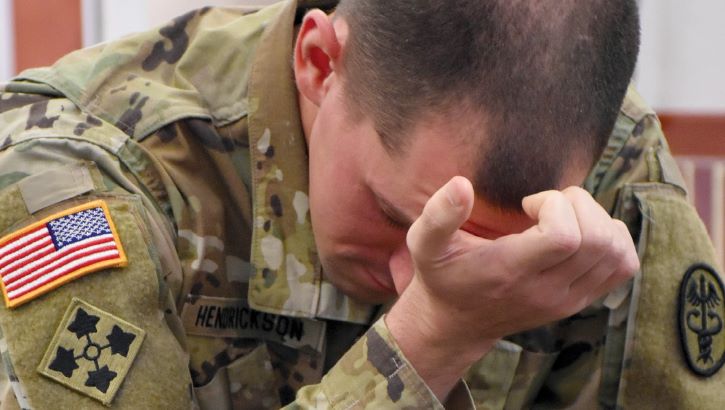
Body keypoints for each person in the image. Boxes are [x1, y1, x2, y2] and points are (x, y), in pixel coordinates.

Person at [0, 0, 721, 408]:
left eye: (498, 251)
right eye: (400, 219)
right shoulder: (83, 175)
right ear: (319, 63)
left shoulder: (619, 179)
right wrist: (430, 337)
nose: (423, 273)